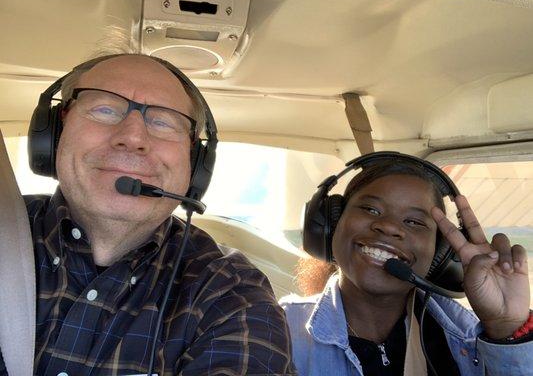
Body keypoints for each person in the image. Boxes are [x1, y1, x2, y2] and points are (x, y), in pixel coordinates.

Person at [14, 53, 296, 375]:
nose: (133, 138)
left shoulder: (229, 293)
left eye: (163, 121)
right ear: (53, 133)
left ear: (196, 163)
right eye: (105, 109)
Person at [280, 152, 532, 376]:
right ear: (330, 224)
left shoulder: (467, 337)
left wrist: (506, 327)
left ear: (440, 255)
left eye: (414, 222)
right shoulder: (278, 327)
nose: (389, 226)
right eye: (370, 209)